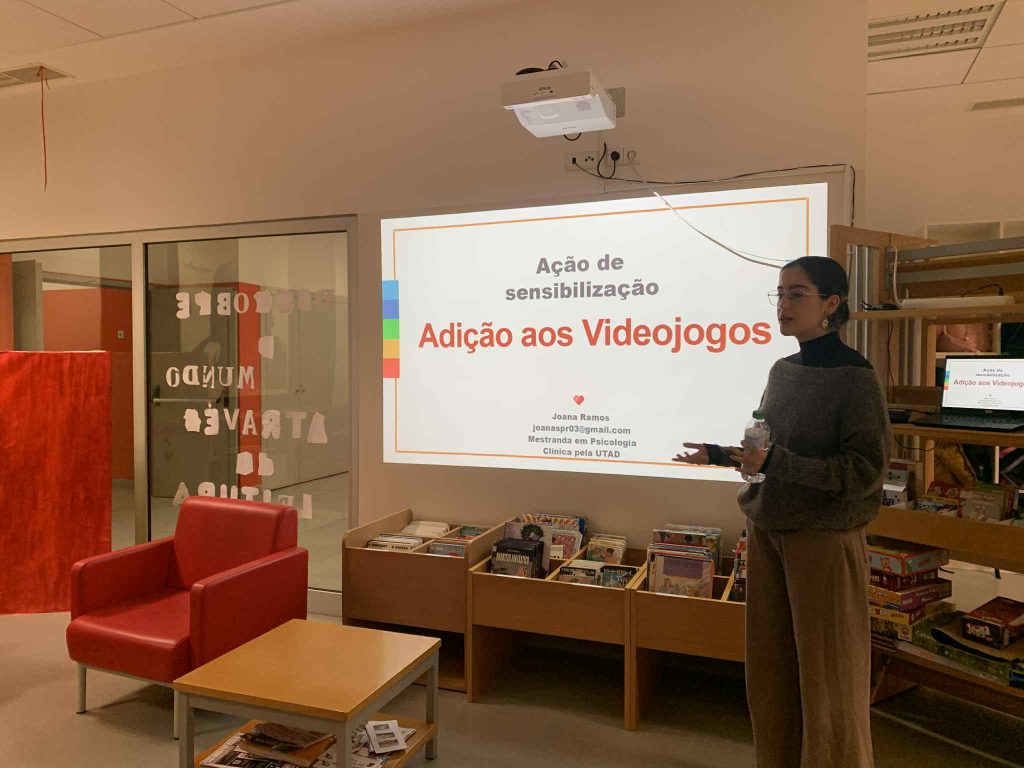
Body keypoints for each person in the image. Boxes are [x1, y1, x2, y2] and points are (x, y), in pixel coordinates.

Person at [674, 256, 891, 768]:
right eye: (780, 294)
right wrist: (723, 455)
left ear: (831, 304)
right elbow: (769, 449)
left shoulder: (856, 378)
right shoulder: (783, 370)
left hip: (821, 540)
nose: (784, 305)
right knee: (771, 672)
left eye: (797, 294)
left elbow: (863, 472)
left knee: (828, 678)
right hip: (768, 529)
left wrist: (775, 462)